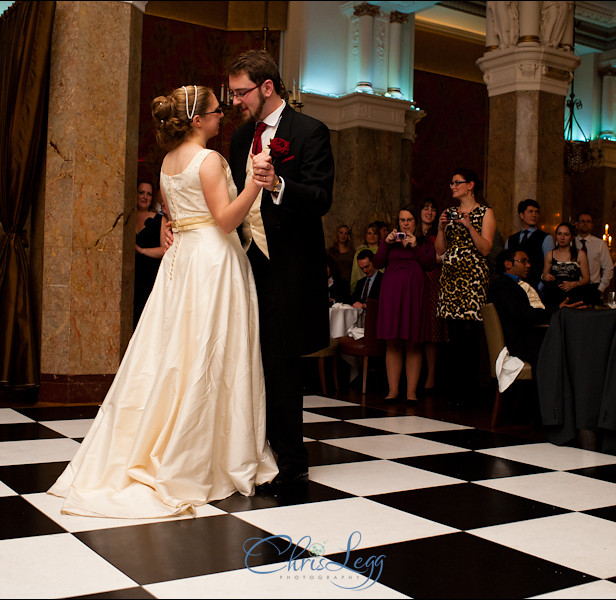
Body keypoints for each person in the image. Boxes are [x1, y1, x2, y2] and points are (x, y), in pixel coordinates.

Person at [49, 85, 278, 518]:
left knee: (179, 352)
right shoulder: (210, 160)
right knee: (214, 353)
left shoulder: (168, 162)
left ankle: (179, 437)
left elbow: (172, 217)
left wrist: (173, 229)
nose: (220, 117)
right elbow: (227, 221)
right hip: (212, 262)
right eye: (213, 113)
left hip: (184, 261)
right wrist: (253, 183)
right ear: (196, 120)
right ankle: (210, 452)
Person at [227, 50, 334, 491]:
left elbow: (321, 198)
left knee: (283, 363)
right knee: (249, 360)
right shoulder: (238, 141)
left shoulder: (310, 131)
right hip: (246, 263)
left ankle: (292, 459)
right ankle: (255, 450)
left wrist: (279, 186)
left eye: (241, 92)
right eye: (231, 94)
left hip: (288, 268)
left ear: (266, 87)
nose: (235, 101)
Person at [436, 170, 496, 390]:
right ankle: (452, 387)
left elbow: (486, 249)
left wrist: (470, 226)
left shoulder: (485, 212)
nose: (452, 186)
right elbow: (440, 250)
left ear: (470, 185)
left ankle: (469, 388)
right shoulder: (449, 212)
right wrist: (441, 228)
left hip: (472, 277)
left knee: (470, 334)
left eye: (457, 183)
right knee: (452, 334)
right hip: (450, 277)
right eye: (451, 183)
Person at [373, 206, 436, 403]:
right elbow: (376, 262)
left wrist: (415, 245)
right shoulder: (390, 244)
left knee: (413, 343)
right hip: (391, 296)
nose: (406, 223)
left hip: (414, 295)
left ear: (415, 223)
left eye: (409, 220)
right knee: (392, 341)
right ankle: (392, 391)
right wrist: (385, 242)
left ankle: (411, 393)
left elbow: (430, 264)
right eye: (402, 220)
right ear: (397, 223)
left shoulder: (424, 242)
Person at [487, 249, 582, 366]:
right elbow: (525, 315)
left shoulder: (512, 284)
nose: (528, 265)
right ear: (507, 264)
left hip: (523, 338)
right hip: (519, 343)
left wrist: (557, 308)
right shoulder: (502, 286)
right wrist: (556, 312)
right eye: (523, 261)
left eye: (528, 261)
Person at [420, 198, 448, 391]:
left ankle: (431, 377)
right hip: (413, 281)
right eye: (425, 208)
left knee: (432, 331)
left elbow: (444, 255)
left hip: (433, 282)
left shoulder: (440, 233)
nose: (429, 212)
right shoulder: (410, 231)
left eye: (433, 209)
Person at [133, 179, 166, 327]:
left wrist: (141, 250)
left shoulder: (160, 219)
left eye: (149, 194)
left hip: (149, 278)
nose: (145, 197)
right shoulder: (126, 218)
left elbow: (164, 250)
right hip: (129, 276)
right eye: (141, 193)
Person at [505, 199, 554, 290]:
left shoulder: (546, 238)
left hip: (536, 287)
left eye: (537, 212)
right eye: (530, 211)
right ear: (522, 215)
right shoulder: (511, 239)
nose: (534, 215)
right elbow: (505, 264)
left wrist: (540, 286)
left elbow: (550, 265)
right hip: (513, 287)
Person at [540, 222, 591, 310]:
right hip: (552, 296)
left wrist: (575, 284)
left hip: (573, 295)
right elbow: (544, 275)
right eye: (559, 234)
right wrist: (545, 276)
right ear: (556, 236)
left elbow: (586, 279)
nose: (562, 238)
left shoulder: (580, 254)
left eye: (566, 234)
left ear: (572, 237)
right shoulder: (550, 254)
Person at [574, 211, 614, 303]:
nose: (585, 224)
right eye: (582, 221)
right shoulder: (571, 243)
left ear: (592, 225)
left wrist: (601, 288)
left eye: (588, 221)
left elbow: (608, 268)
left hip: (593, 288)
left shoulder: (600, 244)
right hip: (575, 287)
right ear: (576, 224)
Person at [349, 222, 381, 290]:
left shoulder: (382, 251)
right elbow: (355, 273)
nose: (372, 236)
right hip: (361, 287)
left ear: (379, 235)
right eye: (369, 233)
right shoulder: (359, 251)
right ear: (365, 235)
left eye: (375, 233)